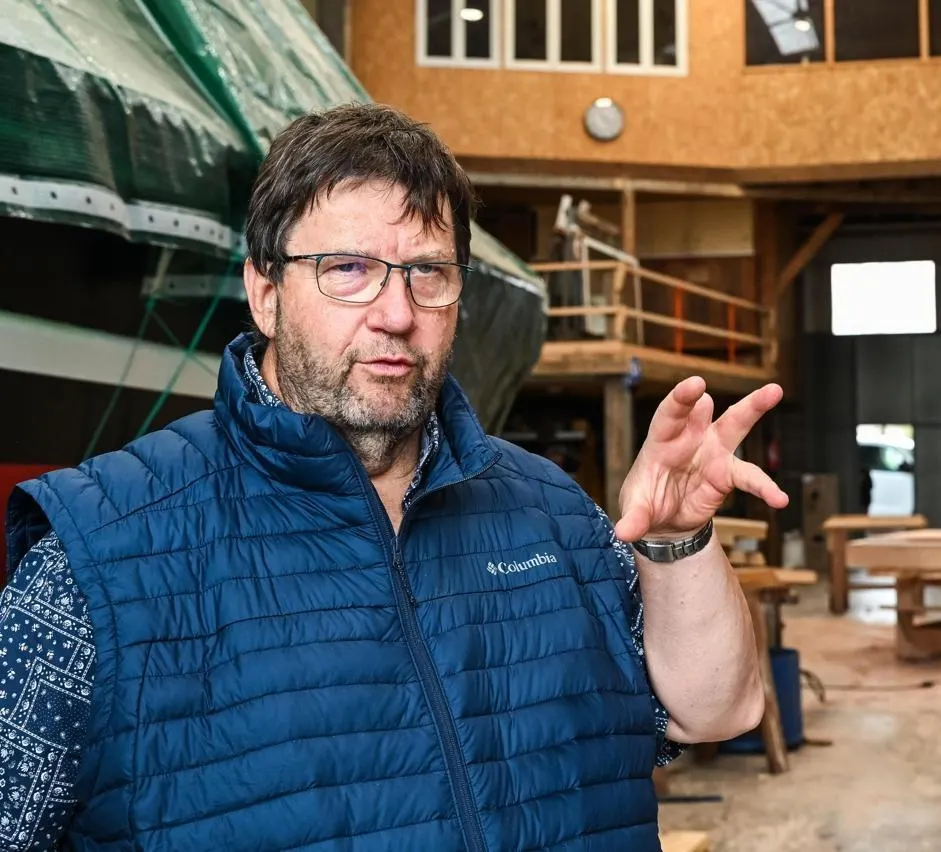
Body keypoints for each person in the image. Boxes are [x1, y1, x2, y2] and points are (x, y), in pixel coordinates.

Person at [2, 104, 788, 851]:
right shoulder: (96, 559)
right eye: (348, 269)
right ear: (266, 294)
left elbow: (719, 708)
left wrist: (680, 538)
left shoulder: (554, 514)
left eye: (428, 272)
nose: (395, 312)